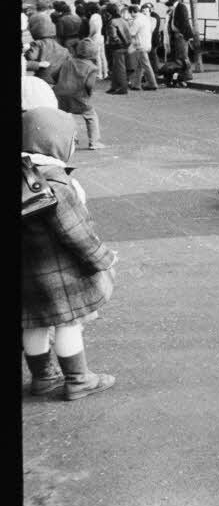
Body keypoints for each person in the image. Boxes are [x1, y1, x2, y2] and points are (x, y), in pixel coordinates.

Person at [21, 107, 118, 401]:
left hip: (25, 273)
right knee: (68, 324)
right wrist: (103, 258)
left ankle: (43, 377)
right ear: (57, 142)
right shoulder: (56, 182)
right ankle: (78, 380)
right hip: (60, 274)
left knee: (33, 323)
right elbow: (75, 231)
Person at [53, 40, 104, 150]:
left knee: (65, 117)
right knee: (91, 116)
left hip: (60, 95)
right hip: (79, 96)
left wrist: (61, 83)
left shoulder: (67, 62)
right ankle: (94, 142)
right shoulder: (92, 68)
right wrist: (88, 95)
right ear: (94, 53)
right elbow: (89, 85)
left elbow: (54, 74)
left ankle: (70, 140)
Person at [25, 7, 70, 86]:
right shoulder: (57, 43)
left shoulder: (36, 45)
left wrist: (37, 64)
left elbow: (26, 63)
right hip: (58, 81)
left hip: (43, 81)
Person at [165, 0, 195, 85]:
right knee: (179, 57)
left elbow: (185, 22)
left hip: (180, 35)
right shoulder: (175, 7)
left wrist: (187, 36)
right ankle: (181, 77)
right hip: (176, 35)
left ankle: (186, 76)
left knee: (182, 57)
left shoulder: (181, 7)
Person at [126, 4, 158, 91]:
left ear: (133, 12)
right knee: (140, 65)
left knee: (146, 65)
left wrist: (129, 24)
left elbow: (132, 33)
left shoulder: (137, 20)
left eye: (130, 13)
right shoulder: (145, 18)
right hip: (147, 44)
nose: (130, 15)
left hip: (140, 45)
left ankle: (152, 83)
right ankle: (136, 84)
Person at [103, 3, 131, 96]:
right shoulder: (123, 20)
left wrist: (115, 44)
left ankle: (123, 88)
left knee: (119, 68)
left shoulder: (112, 22)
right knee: (117, 68)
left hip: (118, 47)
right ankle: (114, 86)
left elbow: (114, 36)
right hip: (126, 46)